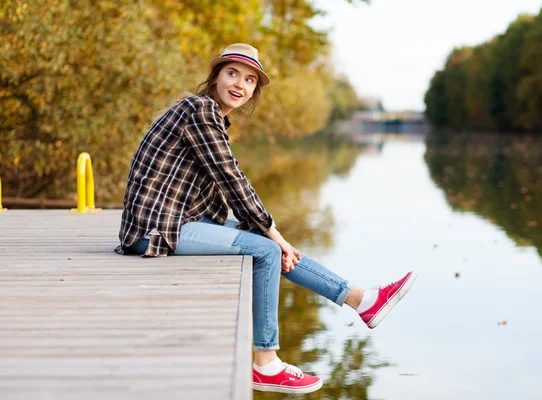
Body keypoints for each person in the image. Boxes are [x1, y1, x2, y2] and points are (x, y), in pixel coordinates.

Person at [115, 43, 417, 394]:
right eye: (232, 74)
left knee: (271, 244)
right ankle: (266, 363)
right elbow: (231, 179)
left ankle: (362, 300)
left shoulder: (206, 114)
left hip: (175, 221)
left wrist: (265, 231)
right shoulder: (200, 110)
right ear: (215, 77)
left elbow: (215, 190)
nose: (239, 85)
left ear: (254, 91)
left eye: (249, 80)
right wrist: (273, 233)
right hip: (156, 230)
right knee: (268, 250)